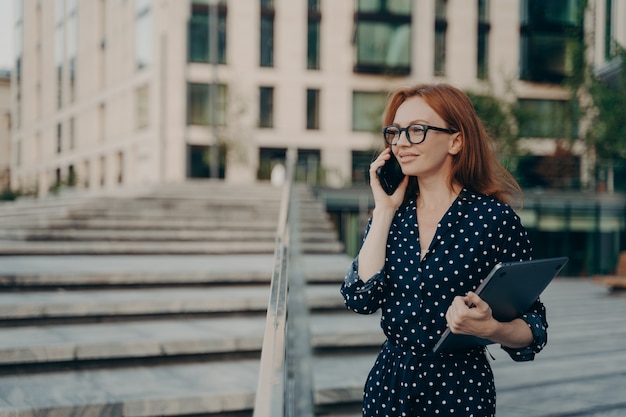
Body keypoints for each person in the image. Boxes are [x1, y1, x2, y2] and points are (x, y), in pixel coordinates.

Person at [340, 83, 547, 417]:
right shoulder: (392, 215)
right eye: (395, 132)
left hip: (459, 390)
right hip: (389, 385)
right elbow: (361, 298)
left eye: (417, 130)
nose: (402, 142)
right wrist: (384, 209)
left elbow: (533, 328)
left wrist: (491, 328)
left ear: (456, 140)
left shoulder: (493, 220)